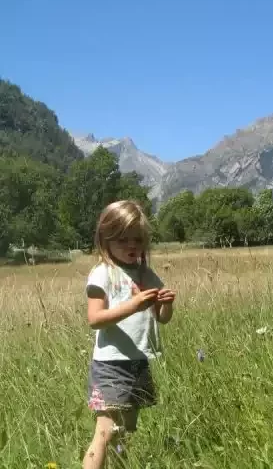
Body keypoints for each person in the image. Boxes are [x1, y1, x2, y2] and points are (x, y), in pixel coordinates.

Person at [83, 200, 175, 469]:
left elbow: (162, 319)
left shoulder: (146, 274)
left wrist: (165, 304)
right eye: (123, 240)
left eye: (137, 239)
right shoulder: (103, 274)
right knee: (105, 431)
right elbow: (95, 319)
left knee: (125, 431)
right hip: (110, 365)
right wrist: (132, 305)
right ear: (106, 240)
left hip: (138, 362)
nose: (132, 246)